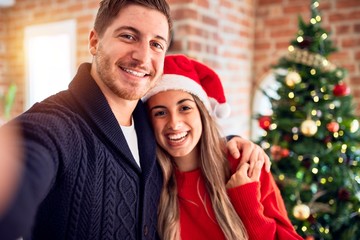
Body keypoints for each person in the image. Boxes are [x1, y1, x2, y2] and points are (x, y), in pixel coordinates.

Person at [0, 1, 271, 239]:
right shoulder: (56, 125)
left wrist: (233, 143)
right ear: (94, 42)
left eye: (156, 44)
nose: (143, 57)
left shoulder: (149, 123)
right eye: (128, 36)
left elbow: (184, 135)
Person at [142, 54, 304, 240]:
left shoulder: (245, 164)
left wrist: (248, 203)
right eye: (160, 113)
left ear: (202, 113)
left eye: (185, 108)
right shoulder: (150, 182)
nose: (174, 123)